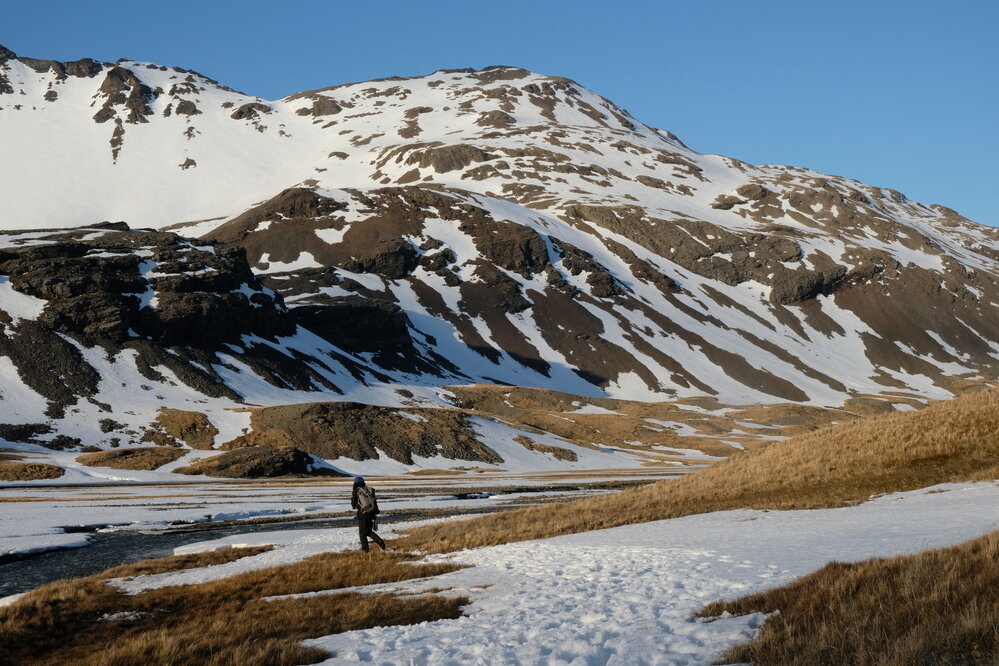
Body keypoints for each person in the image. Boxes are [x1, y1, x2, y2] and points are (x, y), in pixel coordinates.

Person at [350, 476, 386, 551]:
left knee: (362, 534)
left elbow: (353, 505)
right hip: (371, 514)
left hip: (363, 515)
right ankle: (381, 542)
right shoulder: (369, 491)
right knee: (368, 531)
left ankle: (365, 551)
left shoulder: (357, 491)